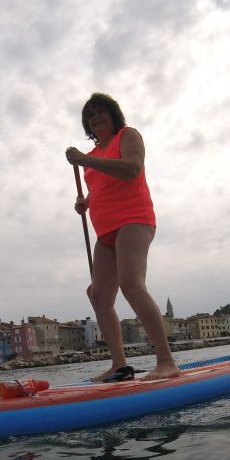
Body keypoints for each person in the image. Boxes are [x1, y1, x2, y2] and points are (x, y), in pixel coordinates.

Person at [65, 93, 181, 382]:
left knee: (131, 284)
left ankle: (166, 362)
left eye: (100, 111)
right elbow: (103, 185)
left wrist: (84, 158)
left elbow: (131, 169)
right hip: (105, 231)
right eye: (90, 114)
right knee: (98, 295)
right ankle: (119, 365)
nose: (95, 116)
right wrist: (86, 202)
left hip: (134, 220)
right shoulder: (93, 159)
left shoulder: (127, 136)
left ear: (113, 114)